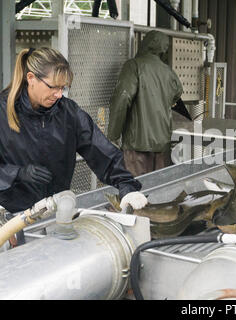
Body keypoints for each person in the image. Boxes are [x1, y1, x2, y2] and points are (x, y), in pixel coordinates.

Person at [0, 47, 147, 223]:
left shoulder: (68, 113)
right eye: (53, 87)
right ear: (31, 78)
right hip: (10, 220)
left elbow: (101, 151)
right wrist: (16, 174)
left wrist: (126, 185)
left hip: (55, 215)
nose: (58, 94)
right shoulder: (2, 111)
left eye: (63, 87)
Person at [108, 30, 183, 177]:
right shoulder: (169, 72)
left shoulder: (133, 66)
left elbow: (122, 98)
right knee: (159, 191)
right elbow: (177, 92)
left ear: (145, 44)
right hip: (163, 144)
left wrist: (113, 134)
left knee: (135, 192)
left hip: (136, 145)